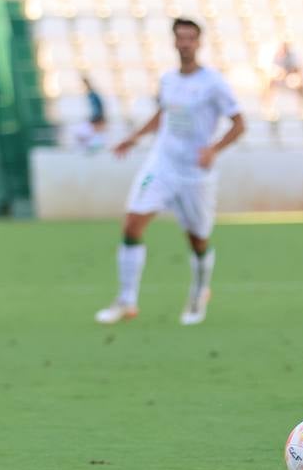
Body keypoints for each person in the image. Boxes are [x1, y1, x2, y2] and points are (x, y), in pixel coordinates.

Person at [94, 19, 244, 327]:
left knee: (197, 240)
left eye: (191, 38)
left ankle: (200, 292)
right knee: (132, 224)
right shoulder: (167, 80)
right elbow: (163, 115)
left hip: (195, 174)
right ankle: (126, 301)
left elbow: (239, 124)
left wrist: (213, 149)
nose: (185, 43)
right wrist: (134, 137)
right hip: (161, 165)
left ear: (198, 43)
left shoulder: (214, 83)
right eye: (181, 38)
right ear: (174, 42)